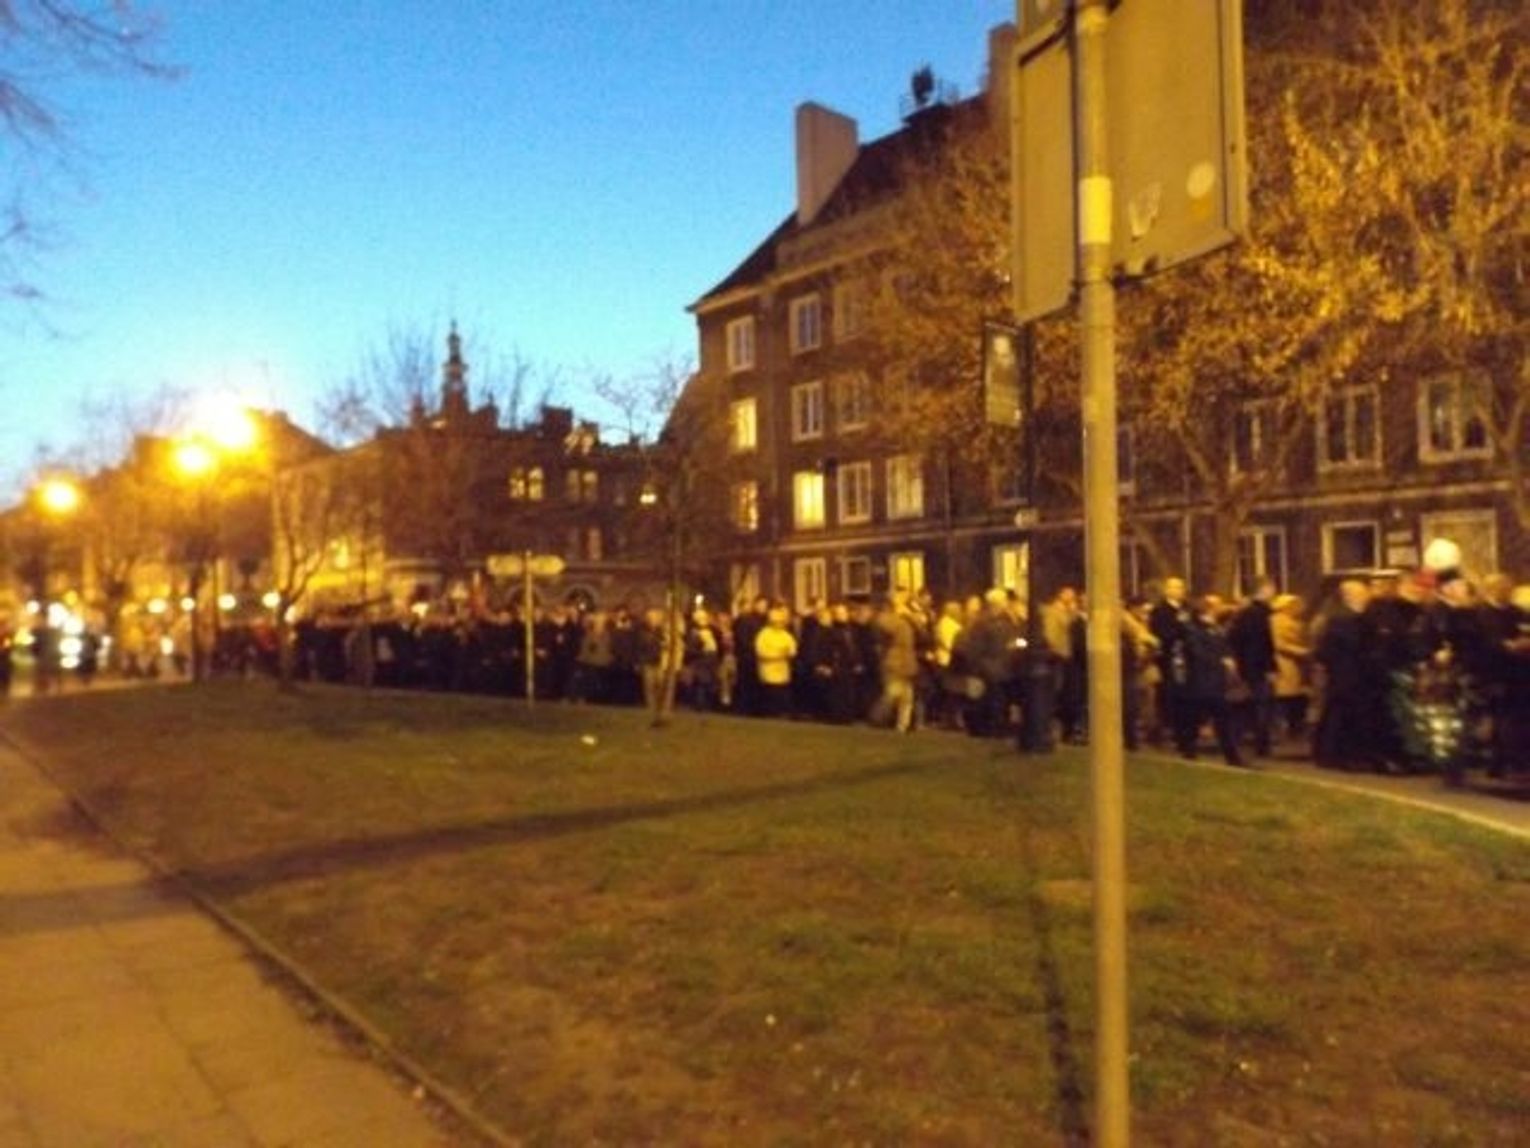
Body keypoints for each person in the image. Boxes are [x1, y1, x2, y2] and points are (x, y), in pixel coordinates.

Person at [1313, 579, 1382, 770]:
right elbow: (1337, 649)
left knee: (1343, 715)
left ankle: (1342, 754)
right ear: (1352, 596)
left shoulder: (1356, 618)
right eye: (1364, 592)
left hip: (1353, 675)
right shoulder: (1342, 620)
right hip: (1346, 676)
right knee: (1340, 715)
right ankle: (1336, 755)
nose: (1368, 595)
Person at [1176, 595, 1245, 765]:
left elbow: (1225, 647)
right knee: (1197, 717)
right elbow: (1197, 653)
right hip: (1201, 681)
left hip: (1215, 681)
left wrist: (1229, 659)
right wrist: (1220, 661)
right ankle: (1190, 749)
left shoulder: (1214, 629)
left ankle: (1231, 755)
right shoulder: (1192, 630)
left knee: (1222, 718)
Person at [1226, 578, 1278, 757]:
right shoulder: (1261, 614)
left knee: (1249, 703)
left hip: (1247, 665)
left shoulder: (1244, 614)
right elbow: (1264, 643)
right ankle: (1262, 743)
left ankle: (1240, 737)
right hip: (1259, 666)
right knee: (1262, 704)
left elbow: (1234, 639)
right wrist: (1270, 667)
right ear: (1265, 590)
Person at [871, 588, 921, 733]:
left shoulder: (906, 617)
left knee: (907, 697)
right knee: (892, 693)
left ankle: (902, 726)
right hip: (893, 661)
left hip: (907, 662)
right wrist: (899, 616)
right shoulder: (884, 617)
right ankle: (876, 718)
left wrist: (910, 616)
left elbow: (920, 631)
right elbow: (887, 630)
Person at [1271, 594, 1311, 741]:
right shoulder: (1277, 621)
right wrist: (1303, 651)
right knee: (1285, 696)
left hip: (1296, 665)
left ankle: (1294, 727)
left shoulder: (1294, 621)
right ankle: (1284, 728)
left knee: (1295, 697)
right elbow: (1279, 644)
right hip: (1285, 663)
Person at [753, 604, 798, 718]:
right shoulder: (764, 634)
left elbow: (792, 651)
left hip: (782, 673)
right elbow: (760, 652)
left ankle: (781, 714)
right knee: (769, 698)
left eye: (781, 622)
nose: (779, 624)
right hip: (768, 673)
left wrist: (786, 653)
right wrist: (778, 654)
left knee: (781, 698)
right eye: (776, 622)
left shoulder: (786, 635)